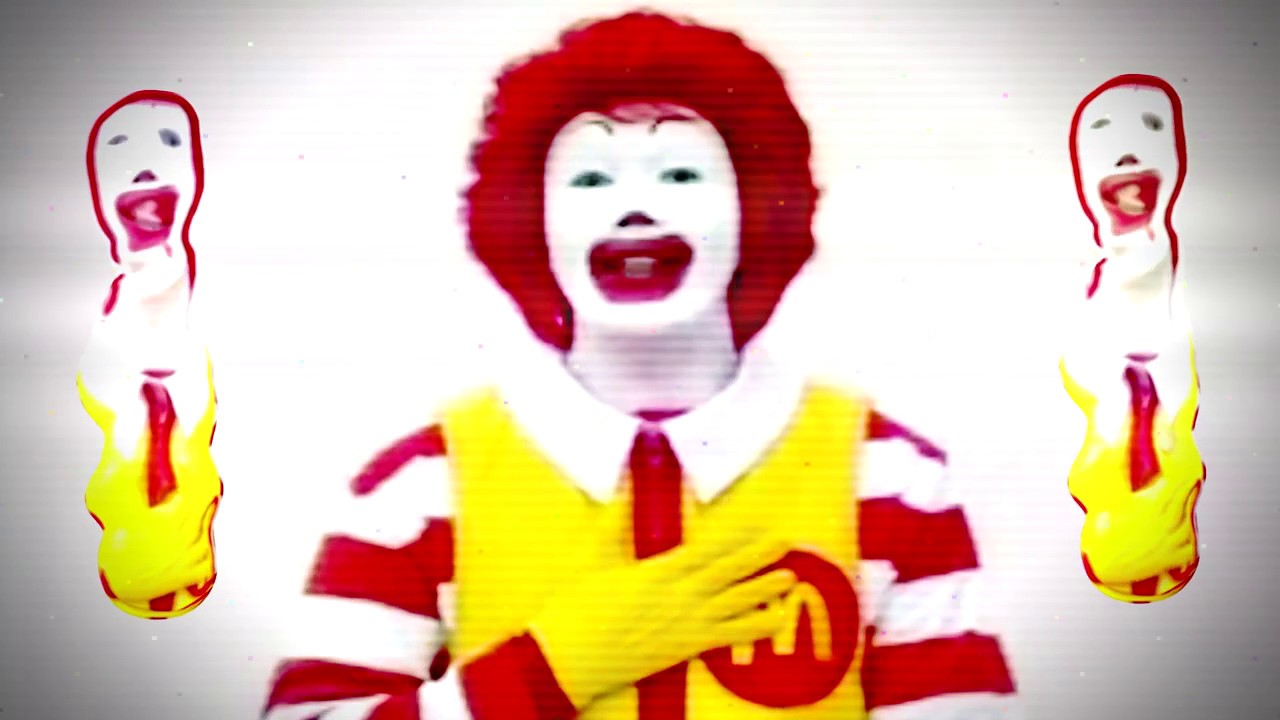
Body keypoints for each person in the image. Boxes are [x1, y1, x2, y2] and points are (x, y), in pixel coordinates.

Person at [260, 11, 1019, 719]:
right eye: (591, 179)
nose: (636, 206)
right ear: (531, 221)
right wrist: (546, 669)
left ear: (759, 207)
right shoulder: (423, 485)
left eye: (681, 175)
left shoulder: (891, 478)